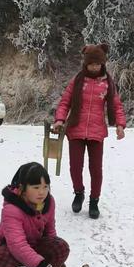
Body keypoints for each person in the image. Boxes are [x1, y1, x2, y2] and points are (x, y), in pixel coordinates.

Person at [53, 43, 126, 219]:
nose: (94, 67)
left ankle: (94, 201)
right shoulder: (77, 81)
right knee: (75, 167)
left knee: (96, 169)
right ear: (85, 63)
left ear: (102, 64)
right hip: (75, 129)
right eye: (91, 64)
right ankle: (79, 193)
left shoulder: (108, 83)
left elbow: (116, 105)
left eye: (97, 64)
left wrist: (120, 124)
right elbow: (65, 102)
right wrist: (59, 120)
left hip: (97, 132)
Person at [0, 162, 70, 267]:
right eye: (36, 187)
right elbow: (17, 246)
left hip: (34, 245)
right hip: (10, 249)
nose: (42, 192)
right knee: (5, 252)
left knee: (60, 246)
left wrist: (57, 263)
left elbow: (50, 232)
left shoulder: (49, 202)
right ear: (22, 189)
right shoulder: (12, 210)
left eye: (45, 187)